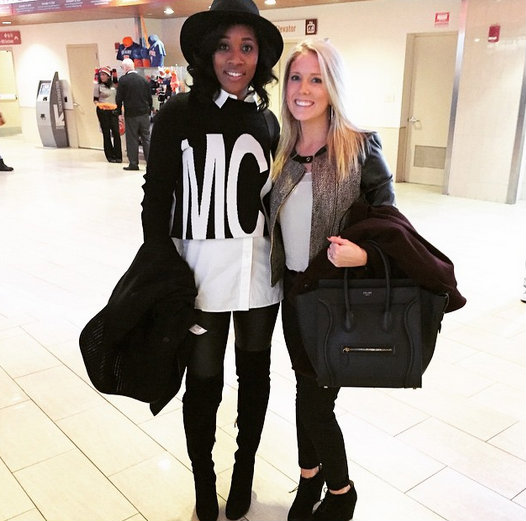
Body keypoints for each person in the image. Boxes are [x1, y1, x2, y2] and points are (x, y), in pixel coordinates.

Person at [140, 1, 283, 520]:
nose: (235, 58)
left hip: (260, 278)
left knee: (255, 377)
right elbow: (155, 197)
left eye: (247, 47)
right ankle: (205, 478)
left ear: (260, 56)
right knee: (203, 382)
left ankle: (244, 471)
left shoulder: (268, 121)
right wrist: (162, 264)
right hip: (199, 279)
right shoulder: (178, 114)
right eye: (224, 46)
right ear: (207, 52)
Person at [269, 39, 396, 521]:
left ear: (332, 87)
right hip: (292, 293)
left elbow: (392, 224)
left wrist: (364, 253)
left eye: (316, 79)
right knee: (306, 389)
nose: (303, 90)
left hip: (334, 296)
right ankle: (309, 477)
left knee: (316, 398)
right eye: (296, 78)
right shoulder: (282, 147)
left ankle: (340, 491)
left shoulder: (359, 146)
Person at [116, 58, 152, 171]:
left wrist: (118, 112)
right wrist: (149, 110)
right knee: (146, 138)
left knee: (132, 139)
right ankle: (150, 163)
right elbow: (149, 97)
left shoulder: (123, 80)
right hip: (144, 114)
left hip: (131, 114)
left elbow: (119, 98)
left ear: (125, 68)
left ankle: (133, 163)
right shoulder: (143, 80)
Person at [93, 66, 122, 163]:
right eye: (101, 75)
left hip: (113, 111)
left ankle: (118, 155)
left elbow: (118, 98)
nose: (102, 76)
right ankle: (110, 155)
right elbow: (95, 100)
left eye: (104, 75)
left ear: (108, 76)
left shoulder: (114, 85)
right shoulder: (98, 86)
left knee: (116, 133)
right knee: (106, 133)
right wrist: (101, 106)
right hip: (103, 111)